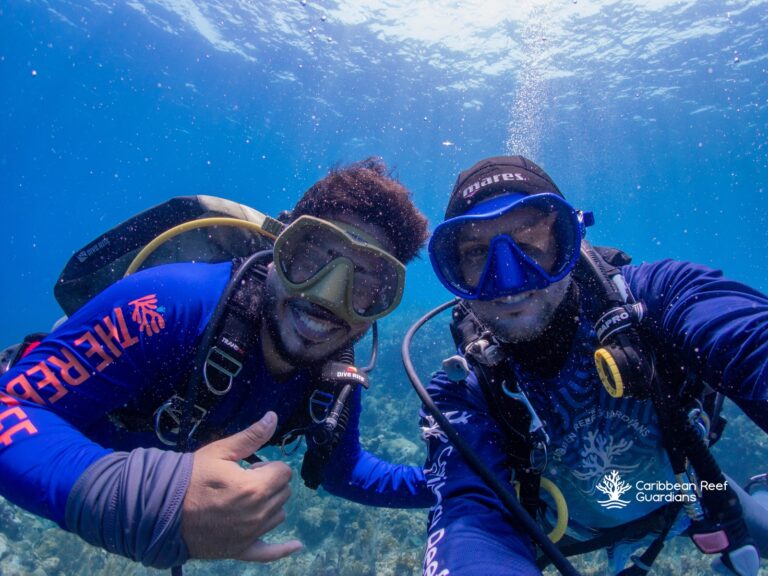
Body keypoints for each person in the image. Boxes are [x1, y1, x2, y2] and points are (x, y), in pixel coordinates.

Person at [0, 158, 432, 570]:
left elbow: (344, 471)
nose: (327, 297)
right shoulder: (170, 302)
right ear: (279, 247)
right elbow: (11, 405)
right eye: (313, 259)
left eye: (366, 283)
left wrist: (456, 482)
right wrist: (130, 499)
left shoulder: (333, 377)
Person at [417, 156, 768, 576]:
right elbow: (468, 519)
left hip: (688, 496)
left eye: (528, 242)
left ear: (569, 241)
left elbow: (750, 340)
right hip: (563, 530)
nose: (508, 280)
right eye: (477, 253)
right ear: (455, 270)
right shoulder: (463, 388)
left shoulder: (659, 298)